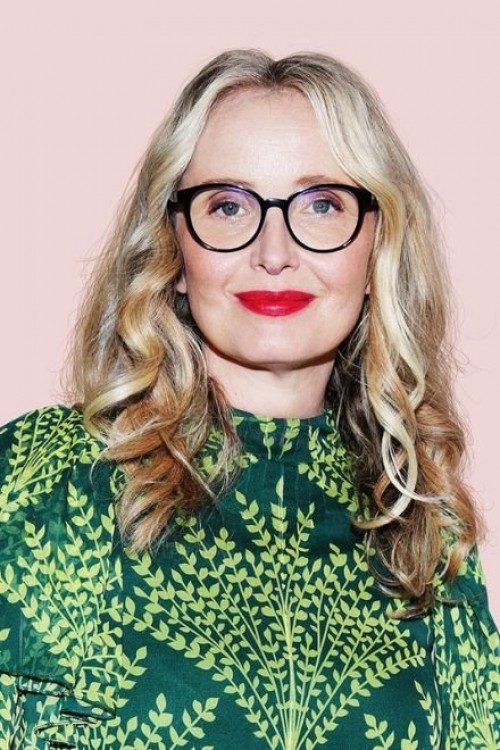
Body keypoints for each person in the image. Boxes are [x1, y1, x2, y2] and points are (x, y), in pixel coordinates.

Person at [0, 49, 498, 749]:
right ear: (174, 250)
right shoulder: (42, 479)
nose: (273, 251)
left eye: (321, 204)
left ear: (377, 248)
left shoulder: (423, 528)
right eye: (229, 206)